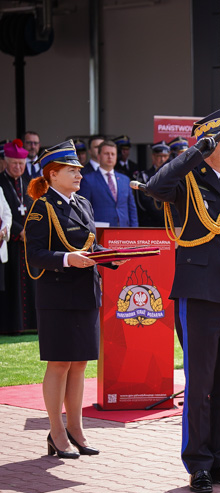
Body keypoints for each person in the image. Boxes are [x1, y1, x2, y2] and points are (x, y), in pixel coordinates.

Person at [145, 108, 220, 493]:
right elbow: (155, 188)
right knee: (202, 383)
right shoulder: (187, 180)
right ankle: (199, 464)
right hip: (200, 295)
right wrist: (195, 153)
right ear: (208, 143)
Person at [23, 140, 127, 459]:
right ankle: (56, 432)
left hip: (84, 293)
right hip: (57, 296)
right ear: (52, 175)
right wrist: (68, 259)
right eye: (72, 170)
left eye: (79, 169)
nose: (79, 174)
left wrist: (110, 258)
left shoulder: (82, 203)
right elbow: (35, 254)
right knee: (59, 364)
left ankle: (77, 429)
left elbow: (90, 247)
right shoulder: (43, 207)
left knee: (80, 364)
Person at [0, 139, 36, 334]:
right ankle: (12, 325)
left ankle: (30, 324)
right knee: (11, 284)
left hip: (28, 241)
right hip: (9, 243)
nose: (18, 167)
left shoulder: (29, 183)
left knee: (31, 285)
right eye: (14, 163)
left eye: (21, 164)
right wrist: (18, 231)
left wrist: (30, 231)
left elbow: (35, 210)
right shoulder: (0, 182)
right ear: (5, 162)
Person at [78, 140, 138, 227]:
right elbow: (83, 210)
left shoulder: (125, 180)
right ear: (98, 156)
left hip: (124, 231)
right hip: (100, 231)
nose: (110, 157)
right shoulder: (87, 180)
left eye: (113, 154)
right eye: (106, 153)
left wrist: (134, 230)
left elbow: (132, 209)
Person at [133, 141, 171, 228]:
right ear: (153, 156)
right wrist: (162, 217)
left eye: (165, 156)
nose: (162, 160)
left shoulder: (173, 177)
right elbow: (143, 202)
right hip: (150, 223)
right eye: (159, 156)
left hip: (169, 224)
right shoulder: (144, 176)